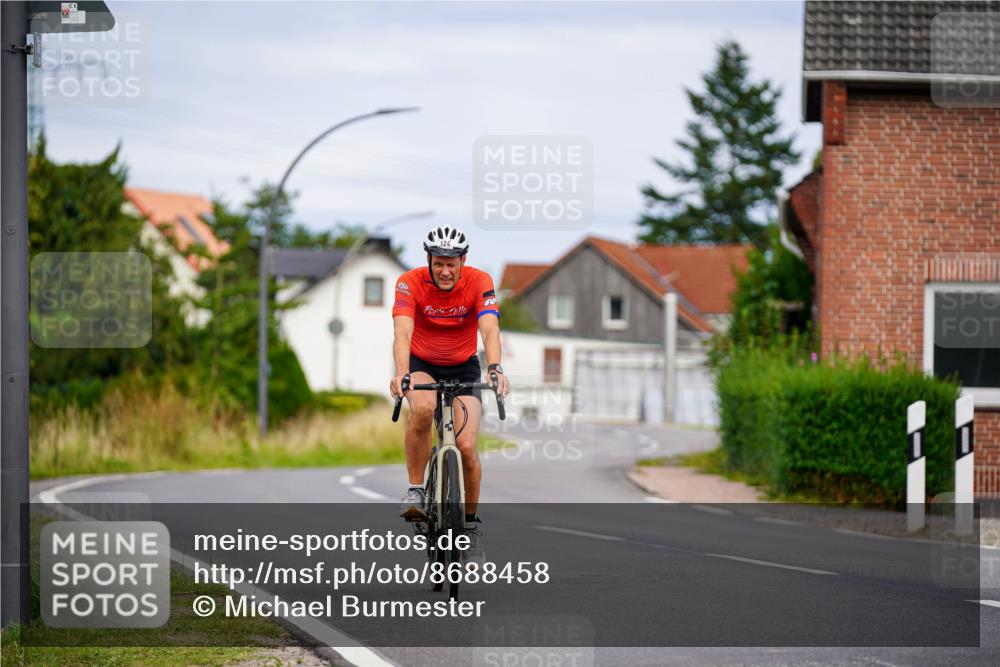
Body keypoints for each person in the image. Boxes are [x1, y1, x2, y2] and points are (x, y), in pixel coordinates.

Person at [389, 225, 510, 563]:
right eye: (438, 263)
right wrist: (402, 372)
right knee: (424, 409)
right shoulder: (409, 282)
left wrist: (496, 367)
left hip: (463, 366)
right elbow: (402, 331)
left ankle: (469, 526)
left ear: (463, 261)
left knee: (467, 446)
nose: (445, 270)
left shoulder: (479, 281)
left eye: (451, 264)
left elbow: (489, 326)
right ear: (428, 260)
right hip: (421, 361)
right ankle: (416, 489)